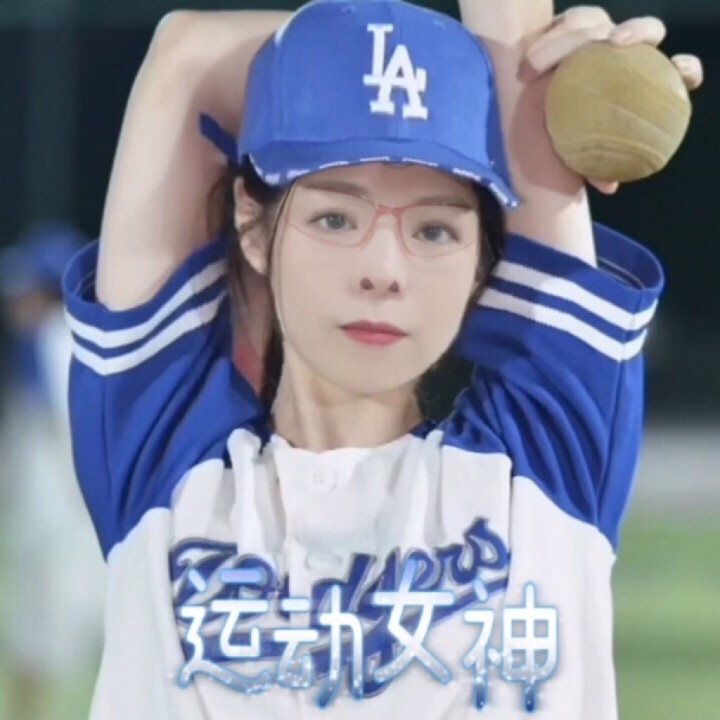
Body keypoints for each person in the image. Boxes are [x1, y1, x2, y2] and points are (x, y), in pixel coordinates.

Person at [60, 1, 703, 718]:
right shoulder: (166, 466)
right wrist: (449, 64)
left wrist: (527, 70)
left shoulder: (545, 464)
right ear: (253, 225)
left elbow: (509, 27)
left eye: (433, 231)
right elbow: (185, 55)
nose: (383, 271)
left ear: (483, 263)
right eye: (335, 218)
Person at [0, 221, 105, 720]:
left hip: (68, 529)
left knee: (61, 649)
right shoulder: (55, 343)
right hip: (54, 527)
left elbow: (70, 442)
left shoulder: (56, 341)